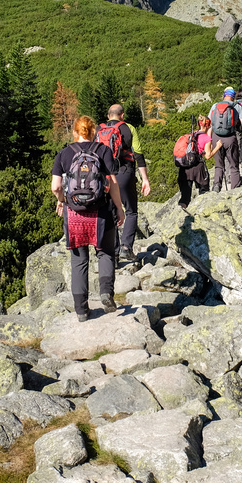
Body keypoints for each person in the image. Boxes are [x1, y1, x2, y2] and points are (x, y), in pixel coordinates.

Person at [52, 116, 125, 322]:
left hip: (74, 214)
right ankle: (105, 294)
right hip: (100, 211)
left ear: (75, 132)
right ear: (93, 132)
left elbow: (56, 187)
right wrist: (119, 208)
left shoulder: (64, 154)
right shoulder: (103, 151)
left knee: (79, 260)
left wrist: (61, 201)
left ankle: (82, 311)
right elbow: (113, 183)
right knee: (106, 253)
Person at [98, 104, 150, 262]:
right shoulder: (128, 128)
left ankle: (112, 253)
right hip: (124, 173)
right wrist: (145, 179)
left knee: (111, 212)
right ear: (122, 115)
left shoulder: (98, 129)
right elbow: (139, 154)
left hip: (105, 176)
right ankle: (126, 248)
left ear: (108, 116)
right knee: (131, 211)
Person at [209, 87, 242, 191]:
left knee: (219, 165)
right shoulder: (237, 107)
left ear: (224, 95)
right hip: (230, 138)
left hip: (216, 137)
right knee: (234, 166)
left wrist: (209, 142)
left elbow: (210, 125)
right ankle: (235, 190)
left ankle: (216, 188)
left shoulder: (215, 106)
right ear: (233, 96)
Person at [178, 115, 218, 209]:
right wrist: (218, 147)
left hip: (184, 167)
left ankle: (181, 214)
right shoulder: (206, 138)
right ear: (208, 125)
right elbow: (208, 155)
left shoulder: (190, 135)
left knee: (185, 196)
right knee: (204, 191)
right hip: (198, 168)